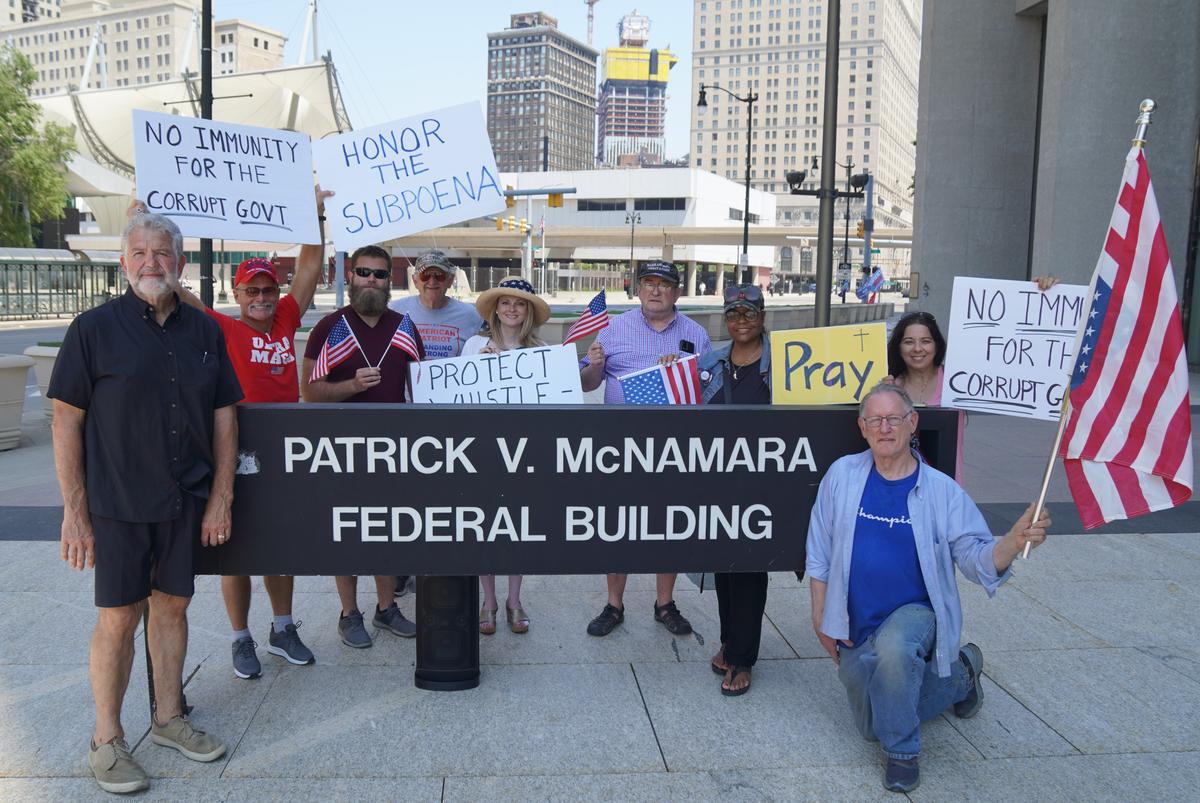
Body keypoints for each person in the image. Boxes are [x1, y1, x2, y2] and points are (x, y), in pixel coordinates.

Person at [50, 212, 242, 794]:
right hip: (116, 502)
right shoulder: (93, 330)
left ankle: (167, 719)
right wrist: (75, 512)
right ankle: (107, 741)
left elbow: (224, 418)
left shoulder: (205, 331)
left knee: (173, 608)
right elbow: (65, 421)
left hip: (184, 499)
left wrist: (221, 498)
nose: (151, 262)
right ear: (123, 263)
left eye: (162, 253)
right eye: (140, 253)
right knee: (118, 619)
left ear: (181, 263)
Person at [806, 382, 1051, 793]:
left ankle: (902, 754)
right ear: (862, 427)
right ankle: (963, 674)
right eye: (875, 420)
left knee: (896, 654)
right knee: (871, 727)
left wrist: (1011, 542)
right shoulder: (842, 475)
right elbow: (819, 551)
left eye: (894, 419)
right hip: (855, 622)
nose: (885, 428)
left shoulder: (941, 491)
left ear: (912, 422)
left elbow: (976, 558)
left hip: (914, 614)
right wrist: (819, 616)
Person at [137, 190, 329, 680]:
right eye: (252, 291)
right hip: (237, 448)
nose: (262, 298)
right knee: (237, 548)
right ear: (238, 295)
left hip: (285, 444)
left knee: (280, 544)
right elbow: (173, 287)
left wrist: (315, 215)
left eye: (268, 290)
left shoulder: (286, 317)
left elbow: (308, 270)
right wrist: (145, 226)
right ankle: (240, 637)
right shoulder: (220, 327)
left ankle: (282, 628)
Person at [579, 260, 712, 637]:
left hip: (672, 446)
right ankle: (614, 604)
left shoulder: (696, 334)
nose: (655, 290)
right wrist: (595, 363)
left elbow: (705, 389)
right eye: (648, 283)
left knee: (667, 523)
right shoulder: (613, 328)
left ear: (678, 292)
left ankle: (665, 603)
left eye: (664, 284)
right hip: (620, 445)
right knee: (618, 525)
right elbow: (589, 384)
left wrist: (681, 372)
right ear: (638, 289)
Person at [301, 244, 424, 648]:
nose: (371, 280)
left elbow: (423, 387)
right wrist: (351, 386)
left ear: (391, 280)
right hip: (343, 450)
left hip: (392, 449)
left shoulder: (404, 325)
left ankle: (386, 608)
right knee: (349, 532)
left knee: (387, 531)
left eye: (380, 274)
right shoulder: (330, 327)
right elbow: (309, 391)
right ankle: (348, 612)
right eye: (363, 272)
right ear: (350, 275)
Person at [697, 284, 778, 696]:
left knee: (749, 568)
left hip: (764, 484)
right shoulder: (710, 362)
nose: (741, 320)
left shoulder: (784, 363)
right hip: (719, 481)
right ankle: (730, 642)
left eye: (749, 312)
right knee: (724, 568)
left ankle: (743, 657)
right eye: (733, 313)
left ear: (763, 316)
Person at [461, 276, 551, 635]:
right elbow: (457, 397)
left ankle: (514, 599)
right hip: (481, 450)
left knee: (516, 529)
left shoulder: (541, 351)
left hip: (522, 451)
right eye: (506, 302)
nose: (512, 309)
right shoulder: (473, 346)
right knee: (483, 527)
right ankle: (489, 600)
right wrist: (478, 369)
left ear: (528, 312)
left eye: (520, 303)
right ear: (495, 309)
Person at [388, 249, 484, 361]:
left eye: (439, 275)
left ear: (450, 280)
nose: (432, 281)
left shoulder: (472, 315)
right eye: (425, 275)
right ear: (415, 281)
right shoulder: (394, 310)